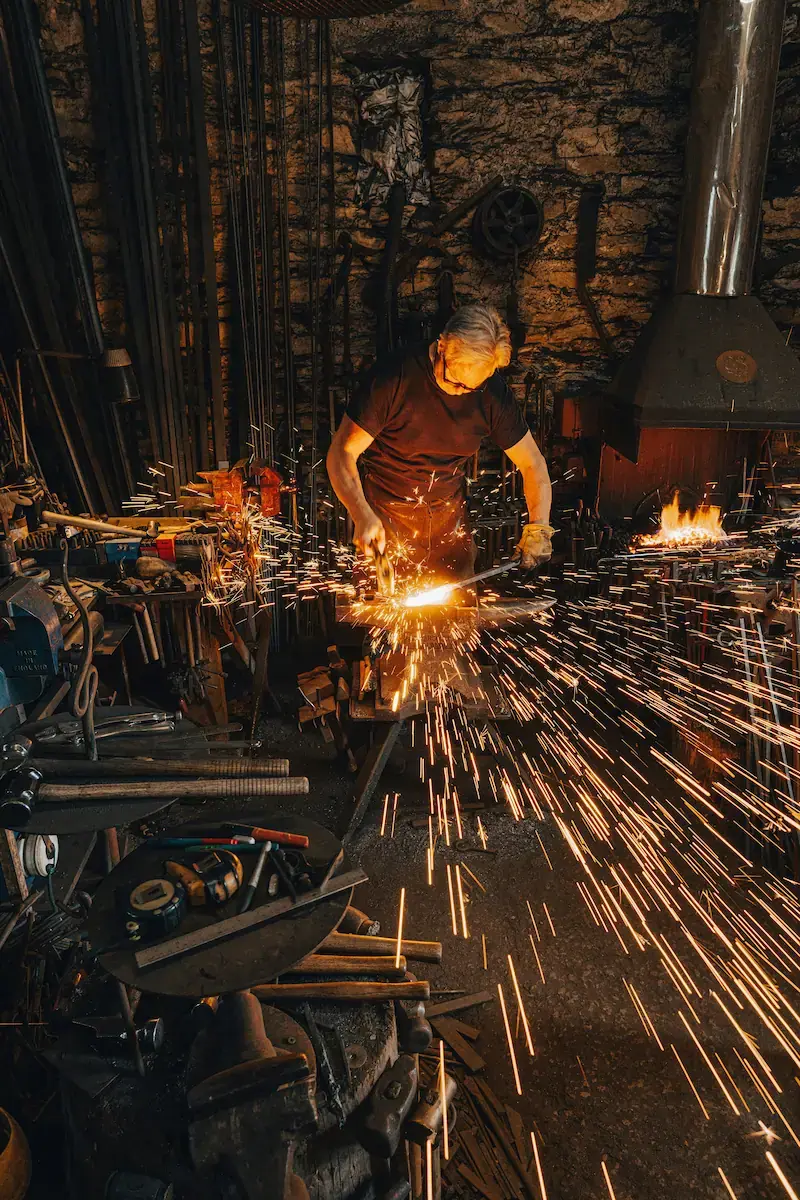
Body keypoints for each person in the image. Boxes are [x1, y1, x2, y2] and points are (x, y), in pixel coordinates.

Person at [326, 302, 553, 583]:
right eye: (456, 382)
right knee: (385, 617)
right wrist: (361, 514)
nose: (460, 394)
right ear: (442, 346)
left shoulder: (491, 395)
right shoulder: (393, 378)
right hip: (386, 518)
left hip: (450, 521)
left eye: (471, 388)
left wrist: (539, 527)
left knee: (458, 615)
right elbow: (342, 452)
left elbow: (532, 462)